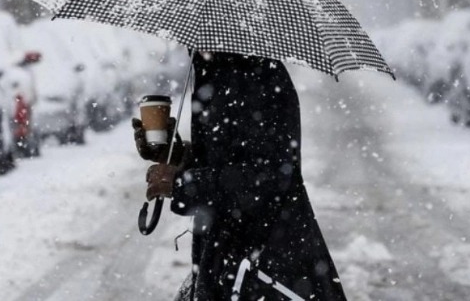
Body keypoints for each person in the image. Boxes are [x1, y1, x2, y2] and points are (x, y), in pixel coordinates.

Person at [133, 52, 347, 300]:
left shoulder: (257, 76)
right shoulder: (218, 68)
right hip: (228, 258)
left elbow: (269, 176)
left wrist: (183, 184)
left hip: (263, 261)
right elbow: (228, 157)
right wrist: (176, 153)